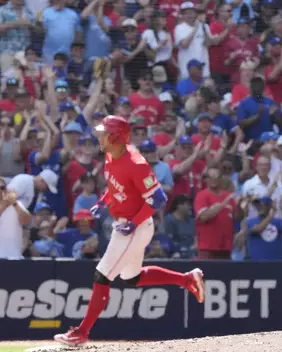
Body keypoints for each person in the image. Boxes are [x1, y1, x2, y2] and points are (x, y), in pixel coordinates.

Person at [54, 115, 205, 347]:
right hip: (125, 223)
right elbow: (116, 186)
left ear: (115, 137)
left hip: (134, 225)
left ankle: (81, 333)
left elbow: (157, 198)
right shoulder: (110, 155)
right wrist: (104, 201)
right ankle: (187, 280)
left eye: (105, 133)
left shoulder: (136, 163)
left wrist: (133, 224)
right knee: (131, 278)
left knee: (102, 274)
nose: (100, 137)